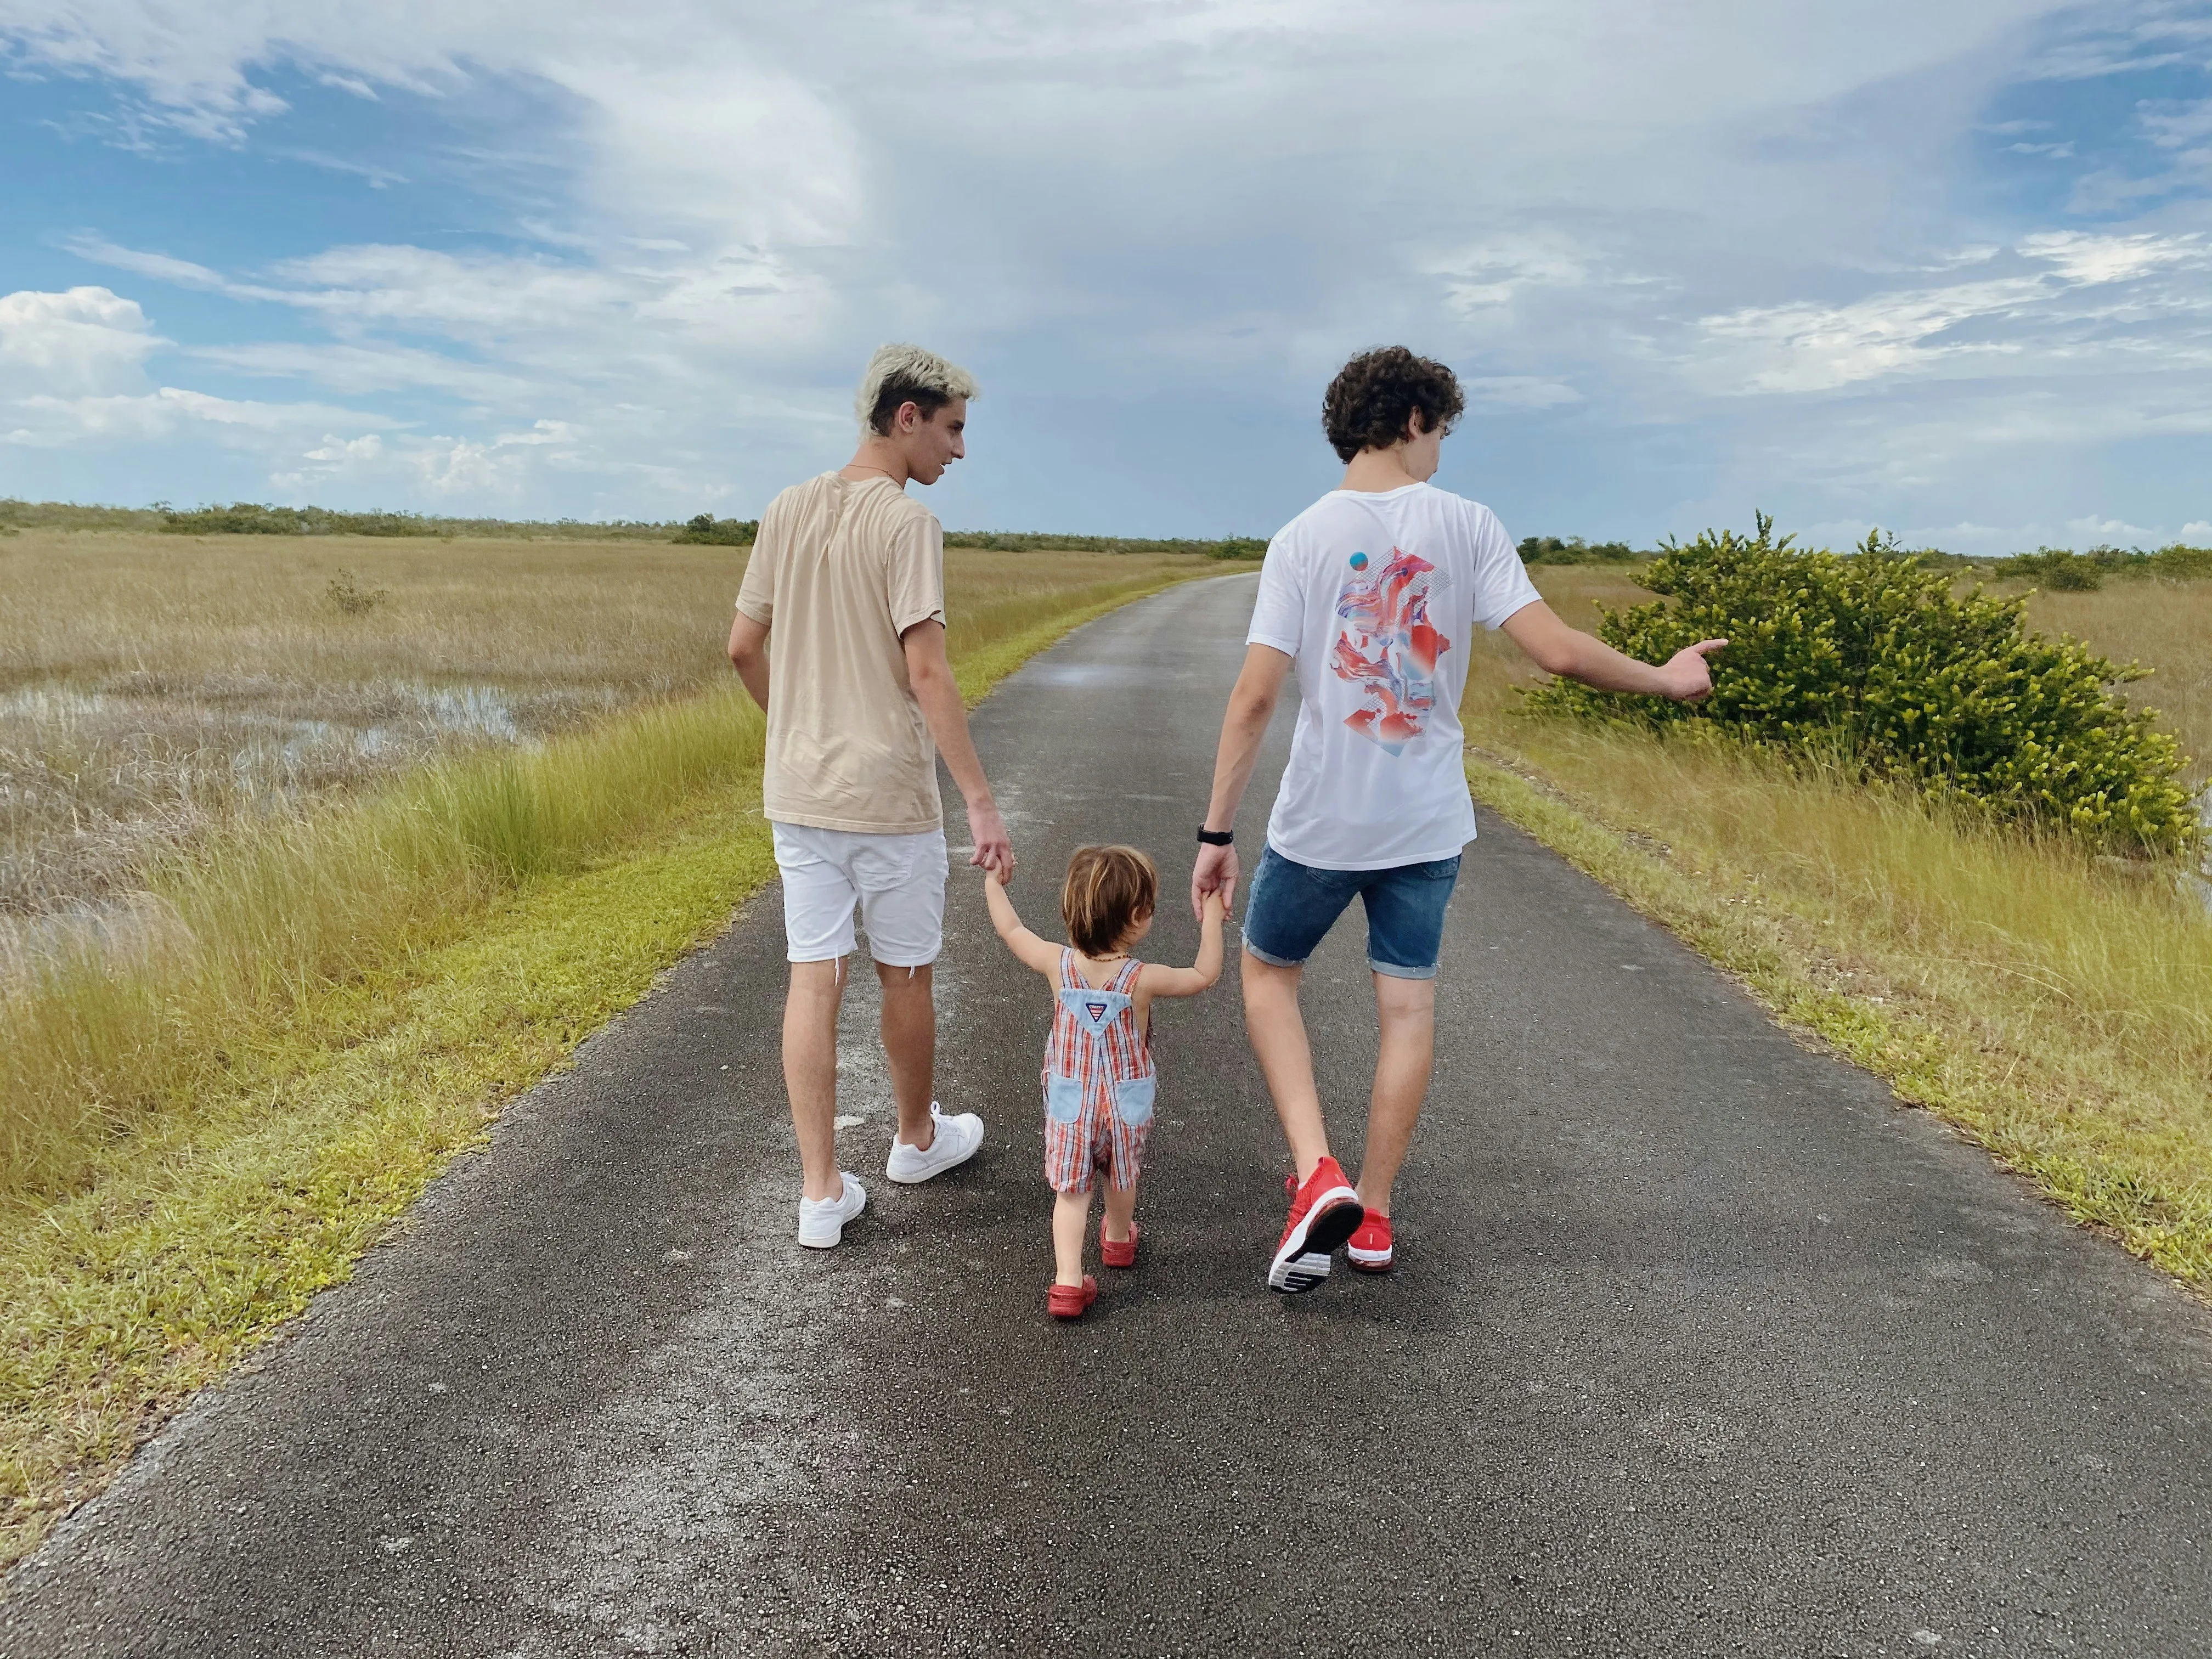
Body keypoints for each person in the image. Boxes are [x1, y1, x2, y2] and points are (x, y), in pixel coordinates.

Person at [1191, 346, 1726, 1291]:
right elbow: (1557, 651)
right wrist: (1667, 677)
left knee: (1270, 975)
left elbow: (1251, 699)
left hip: (1320, 822)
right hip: (1426, 822)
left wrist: (1216, 833)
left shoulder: (1300, 538)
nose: (1441, 448)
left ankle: (1318, 1170)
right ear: (1409, 418)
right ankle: (1375, 1216)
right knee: (1406, 1006)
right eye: (1439, 429)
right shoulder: (1468, 526)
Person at [727, 342, 1016, 1249]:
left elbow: (741, 645)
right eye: (952, 428)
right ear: (906, 416)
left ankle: (820, 1194)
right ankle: (916, 1138)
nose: (959, 451)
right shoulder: (906, 524)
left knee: (813, 978)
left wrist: (794, 728)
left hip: (799, 792)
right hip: (887, 794)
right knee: (905, 973)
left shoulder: (785, 507)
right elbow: (926, 670)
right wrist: (978, 798)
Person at [984, 847, 1226, 1319]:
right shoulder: (1143, 978)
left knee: (1071, 1193)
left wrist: (994, 885)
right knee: (1120, 1174)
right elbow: (1204, 974)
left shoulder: (1058, 964)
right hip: (1124, 1104)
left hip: (1070, 1102)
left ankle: (1068, 1283)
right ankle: (1118, 1240)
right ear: (1137, 917)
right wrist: (1212, 916)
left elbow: (1012, 929)